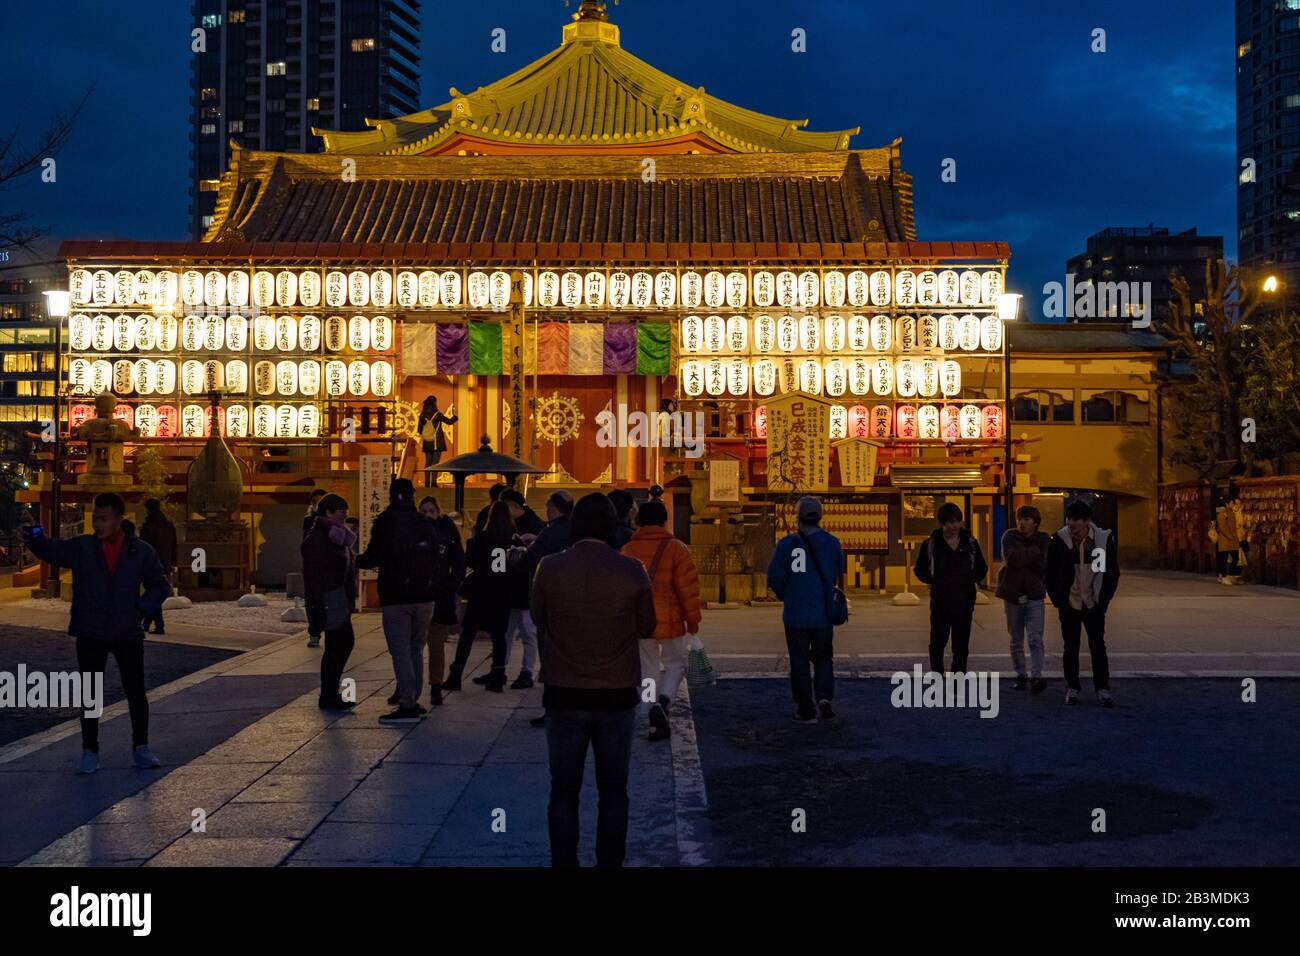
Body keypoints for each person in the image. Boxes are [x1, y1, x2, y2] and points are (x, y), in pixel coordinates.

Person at [531, 493, 657, 868]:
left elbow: (540, 618)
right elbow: (647, 626)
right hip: (616, 694)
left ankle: (564, 863)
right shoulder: (632, 570)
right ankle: (609, 862)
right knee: (614, 792)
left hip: (564, 692)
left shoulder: (549, 568)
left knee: (564, 792)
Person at [23, 493, 170, 774]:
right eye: (95, 518)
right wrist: (34, 536)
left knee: (136, 691)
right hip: (91, 630)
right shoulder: (83, 547)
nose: (98, 524)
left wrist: (140, 609)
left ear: (118, 519)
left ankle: (141, 746)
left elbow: (159, 585)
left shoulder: (140, 551)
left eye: (103, 519)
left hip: (127, 631)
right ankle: (90, 750)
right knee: (90, 694)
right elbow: (53, 550)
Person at [356, 477, 442, 725]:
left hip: (396, 596)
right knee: (416, 649)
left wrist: (355, 560)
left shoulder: (386, 522)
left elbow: (373, 557)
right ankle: (414, 698)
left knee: (400, 650)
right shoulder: (424, 522)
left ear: (391, 495)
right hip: (425, 596)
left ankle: (407, 704)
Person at [621, 500, 702, 741]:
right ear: (665, 521)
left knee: (648, 670)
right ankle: (664, 701)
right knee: (675, 664)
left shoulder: (628, 550)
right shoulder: (677, 548)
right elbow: (687, 589)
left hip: (641, 621)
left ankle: (648, 711)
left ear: (638, 522)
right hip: (670, 617)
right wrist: (693, 621)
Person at [767, 496, 846, 722]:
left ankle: (804, 706)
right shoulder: (832, 543)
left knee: (799, 660)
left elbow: (774, 577)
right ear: (820, 516)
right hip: (823, 613)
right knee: (823, 657)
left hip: (795, 614)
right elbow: (838, 574)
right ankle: (824, 697)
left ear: (798, 517)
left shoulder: (786, 544)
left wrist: (787, 594)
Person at [1046, 498, 1120, 707]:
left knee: (1098, 645)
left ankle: (1102, 688)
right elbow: (1050, 572)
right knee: (1071, 646)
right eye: (1069, 519)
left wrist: (1103, 600)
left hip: (1093, 602)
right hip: (1069, 602)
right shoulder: (1060, 541)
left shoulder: (1101, 541)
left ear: (1087, 521)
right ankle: (1072, 686)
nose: (1071, 524)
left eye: (1076, 520)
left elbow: (1110, 572)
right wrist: (1058, 599)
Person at [514, 490, 576, 725]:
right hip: (575, 600)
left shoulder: (549, 532)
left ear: (553, 507)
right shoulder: (576, 530)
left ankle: (554, 708)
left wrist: (519, 554)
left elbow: (529, 561)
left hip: (550, 601)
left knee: (549, 656)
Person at [446, 499, 515, 692]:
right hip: (502, 593)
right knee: (499, 635)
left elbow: (472, 560)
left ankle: (456, 673)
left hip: (482, 592)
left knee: (468, 633)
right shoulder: (511, 539)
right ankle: (498, 674)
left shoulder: (484, 538)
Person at [913, 503, 988, 677]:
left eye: (957, 522)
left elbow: (981, 567)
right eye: (950, 522)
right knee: (937, 643)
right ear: (942, 523)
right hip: (940, 601)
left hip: (965, 600)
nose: (954, 526)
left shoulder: (970, 543)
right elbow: (920, 568)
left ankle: (957, 682)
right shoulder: (931, 544)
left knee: (961, 646)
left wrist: (969, 580)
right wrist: (934, 580)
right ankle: (937, 679)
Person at [302, 494, 359, 712]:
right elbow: (312, 573)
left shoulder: (337, 534)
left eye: (345, 510)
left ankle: (330, 693)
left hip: (338, 595)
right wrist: (316, 603)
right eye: (340, 511)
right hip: (329, 596)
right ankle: (328, 694)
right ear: (327, 513)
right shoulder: (319, 536)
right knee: (340, 643)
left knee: (340, 643)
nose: (345, 514)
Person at [997, 505, 1050, 694]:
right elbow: (1011, 560)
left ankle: (1036, 675)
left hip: (1034, 595)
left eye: (1027, 519)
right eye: (1020, 518)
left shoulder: (1043, 538)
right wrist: (1033, 553)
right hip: (1012, 595)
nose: (1022, 522)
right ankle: (1021, 675)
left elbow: (1044, 564)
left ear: (1035, 522)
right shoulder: (1009, 536)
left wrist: (1023, 558)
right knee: (1016, 639)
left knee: (1035, 638)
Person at [419, 495, 465, 706]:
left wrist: (453, 585)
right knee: (414, 646)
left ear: (438, 512)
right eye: (424, 511)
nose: (428, 515)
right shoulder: (413, 532)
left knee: (436, 645)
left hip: (439, 594)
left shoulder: (447, 533)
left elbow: (458, 562)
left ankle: (436, 685)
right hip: (417, 595)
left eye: (431, 511)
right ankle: (407, 686)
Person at [138, 499, 177, 636]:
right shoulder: (168, 525)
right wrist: (173, 563)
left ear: (148, 509)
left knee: (153, 594)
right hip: (165, 564)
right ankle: (148, 624)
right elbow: (174, 545)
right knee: (156, 594)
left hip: (150, 565)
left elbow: (142, 547)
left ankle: (156, 625)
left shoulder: (148, 526)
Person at [303, 488, 329, 647]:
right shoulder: (308, 520)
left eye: (319, 502)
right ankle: (314, 632)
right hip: (312, 567)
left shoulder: (333, 520)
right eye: (314, 502)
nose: (316, 505)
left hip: (329, 567)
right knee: (312, 601)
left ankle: (327, 629)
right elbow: (304, 544)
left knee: (327, 600)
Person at [418, 395, 458, 478]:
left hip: (427, 442)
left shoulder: (422, 415)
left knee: (428, 462)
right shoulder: (438, 414)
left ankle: (426, 482)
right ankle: (433, 482)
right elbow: (449, 422)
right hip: (437, 442)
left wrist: (427, 433)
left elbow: (419, 429)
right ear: (435, 403)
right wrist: (455, 416)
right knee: (435, 463)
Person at [1211, 495, 1244, 585]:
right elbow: (1222, 527)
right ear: (1227, 504)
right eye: (1232, 503)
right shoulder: (1222, 514)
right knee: (1223, 559)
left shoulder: (1232, 513)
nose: (1233, 504)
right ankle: (1223, 576)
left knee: (1236, 558)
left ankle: (1231, 575)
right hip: (1225, 540)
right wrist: (1230, 536)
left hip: (1233, 540)